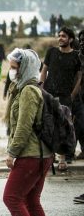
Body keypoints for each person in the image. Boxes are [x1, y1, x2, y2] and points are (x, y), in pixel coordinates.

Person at [2, 48, 53, 216]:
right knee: (32, 200)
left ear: (24, 68)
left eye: (14, 67)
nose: (11, 71)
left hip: (31, 154)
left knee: (11, 197)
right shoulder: (23, 88)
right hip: (40, 154)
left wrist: (12, 153)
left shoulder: (29, 91)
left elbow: (24, 126)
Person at [39, 27, 81, 170]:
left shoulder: (76, 56)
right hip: (49, 94)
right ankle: (48, 157)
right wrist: (41, 89)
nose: (60, 38)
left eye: (63, 36)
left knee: (63, 127)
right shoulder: (51, 52)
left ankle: (62, 159)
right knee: (47, 124)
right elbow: (44, 71)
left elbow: (79, 77)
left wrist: (72, 95)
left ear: (70, 39)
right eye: (59, 36)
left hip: (65, 96)